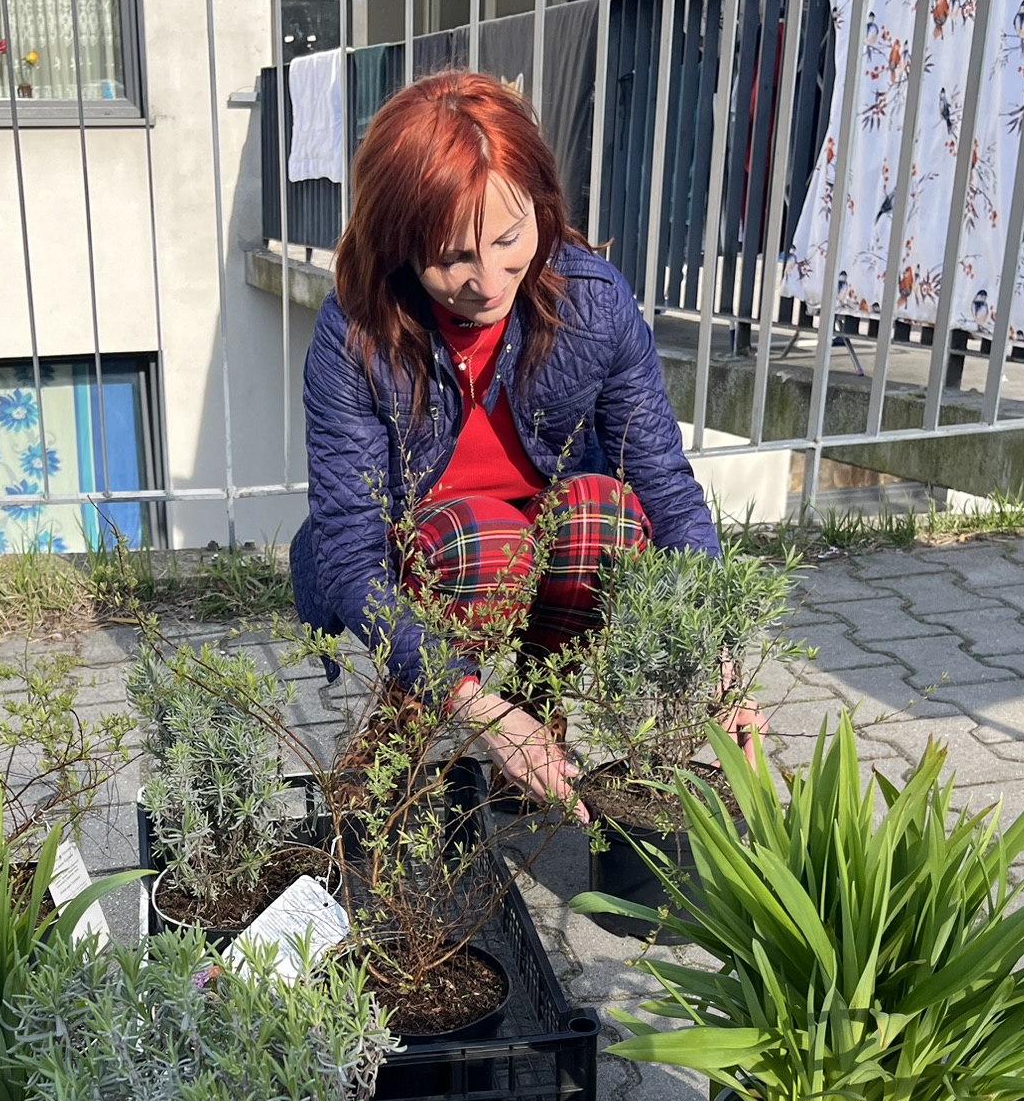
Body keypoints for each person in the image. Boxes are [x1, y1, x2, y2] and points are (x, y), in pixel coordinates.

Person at [292, 69, 733, 821]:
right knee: (484, 542)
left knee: (606, 513)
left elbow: (663, 482)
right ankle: (404, 728)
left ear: (540, 203)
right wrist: (475, 705)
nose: (489, 281)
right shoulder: (356, 332)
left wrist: (719, 652)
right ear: (398, 243)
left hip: (545, 542)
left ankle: (537, 712)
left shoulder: (593, 303)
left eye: (508, 238)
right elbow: (350, 555)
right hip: (436, 549)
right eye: (451, 257)